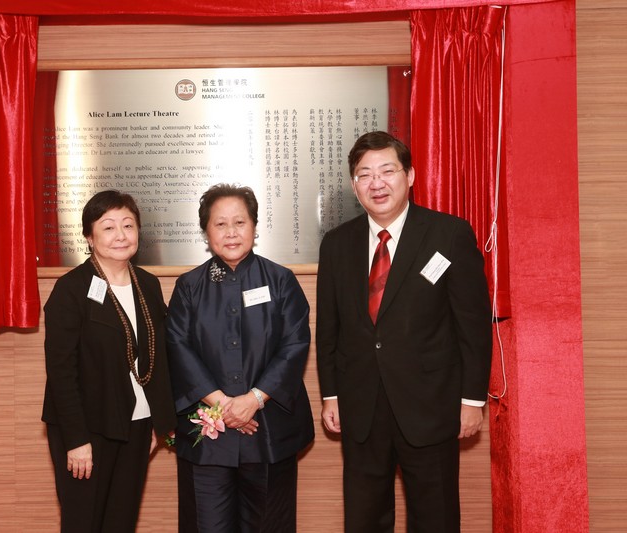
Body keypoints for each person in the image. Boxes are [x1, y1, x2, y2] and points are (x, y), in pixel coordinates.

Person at [316, 131, 492, 532]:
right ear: (353, 185)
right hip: (361, 406)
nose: (376, 183)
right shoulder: (337, 244)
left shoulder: (449, 234)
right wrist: (332, 395)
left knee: (435, 515)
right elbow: (329, 328)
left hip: (432, 405)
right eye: (365, 174)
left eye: (387, 170)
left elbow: (473, 325)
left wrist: (471, 400)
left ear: (410, 176)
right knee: (364, 517)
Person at [167, 184, 314, 532]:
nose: (231, 232)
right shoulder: (189, 286)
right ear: (206, 231)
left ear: (254, 226)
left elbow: (295, 344)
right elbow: (178, 346)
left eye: (240, 222)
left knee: (268, 525)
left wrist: (254, 399)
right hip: (208, 439)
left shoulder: (280, 281)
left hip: (267, 432)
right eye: (220, 224)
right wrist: (224, 406)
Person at [42, 190, 176, 532]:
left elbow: (158, 355)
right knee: (84, 522)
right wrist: (76, 440)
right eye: (109, 227)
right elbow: (61, 372)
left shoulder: (147, 284)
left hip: (136, 422)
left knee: (121, 521)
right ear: (89, 236)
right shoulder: (71, 289)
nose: (121, 235)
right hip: (88, 428)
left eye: (128, 226)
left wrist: (159, 422)